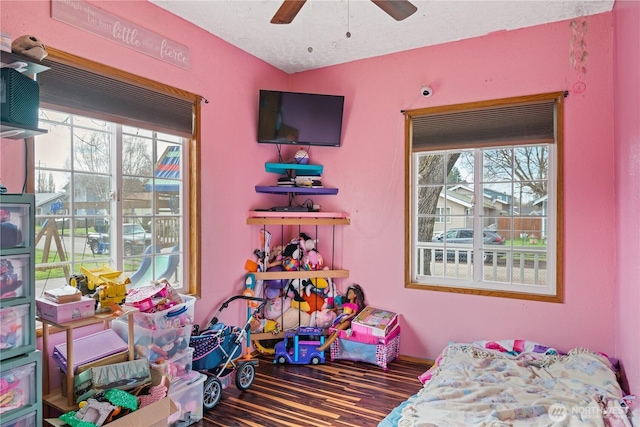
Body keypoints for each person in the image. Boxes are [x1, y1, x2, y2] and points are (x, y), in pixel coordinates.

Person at [317, 284, 366, 352]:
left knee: (337, 331)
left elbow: (353, 314)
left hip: (347, 320)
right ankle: (324, 345)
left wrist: (345, 319)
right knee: (334, 330)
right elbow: (338, 308)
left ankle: (324, 347)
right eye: (348, 292)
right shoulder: (346, 304)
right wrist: (331, 310)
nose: (348, 294)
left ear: (355, 295)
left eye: (350, 293)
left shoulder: (354, 305)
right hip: (341, 319)